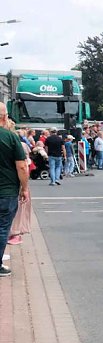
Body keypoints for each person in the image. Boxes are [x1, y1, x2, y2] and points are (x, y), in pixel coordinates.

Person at [0, 111, 29, 270]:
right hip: (6, 191)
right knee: (3, 228)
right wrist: (24, 188)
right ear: (4, 117)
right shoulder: (11, 137)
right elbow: (22, 166)